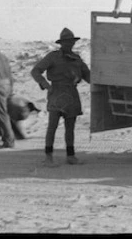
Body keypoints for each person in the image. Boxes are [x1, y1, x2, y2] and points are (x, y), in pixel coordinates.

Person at [31, 28, 91, 166]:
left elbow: (87, 75)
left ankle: (71, 156)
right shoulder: (53, 57)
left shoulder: (77, 59)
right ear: (61, 43)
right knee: (52, 126)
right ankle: (48, 157)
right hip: (56, 93)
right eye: (66, 42)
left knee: (70, 127)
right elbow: (36, 71)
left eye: (71, 42)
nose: (69, 44)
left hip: (71, 93)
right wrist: (46, 85)